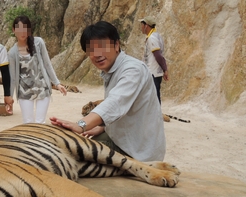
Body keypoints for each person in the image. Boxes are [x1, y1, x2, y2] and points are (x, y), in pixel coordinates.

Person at [50, 21, 165, 161]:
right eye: (91, 50)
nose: (97, 54)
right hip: (120, 137)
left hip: (136, 149)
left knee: (67, 157)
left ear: (116, 45)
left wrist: (81, 125)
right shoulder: (112, 70)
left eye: (102, 47)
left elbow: (115, 103)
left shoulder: (133, 69)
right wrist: (103, 127)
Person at [8, 15, 67, 124]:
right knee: (28, 122)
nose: (22, 32)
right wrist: (10, 97)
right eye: (19, 29)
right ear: (14, 30)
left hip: (42, 88)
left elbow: (47, 64)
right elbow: (12, 78)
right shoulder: (12, 53)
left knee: (41, 122)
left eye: (25, 28)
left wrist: (57, 83)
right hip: (24, 92)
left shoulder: (38, 42)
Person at [139, 16, 169, 104]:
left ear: (146, 26)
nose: (141, 28)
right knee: (154, 95)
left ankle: (156, 116)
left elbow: (158, 55)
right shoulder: (157, 35)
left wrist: (165, 69)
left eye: (142, 25)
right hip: (155, 72)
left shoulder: (152, 38)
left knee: (153, 97)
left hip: (153, 72)